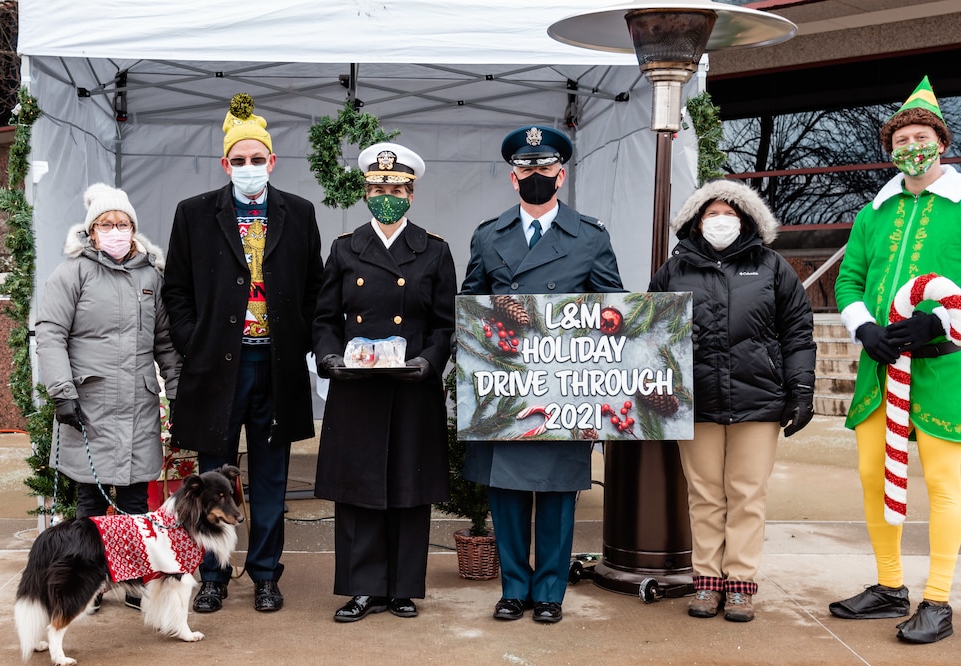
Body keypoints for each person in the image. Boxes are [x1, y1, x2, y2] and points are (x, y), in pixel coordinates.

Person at [830, 77, 961, 643]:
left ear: (940, 142)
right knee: (873, 475)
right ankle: (890, 586)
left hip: (941, 360)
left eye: (921, 135)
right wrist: (863, 326)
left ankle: (938, 599)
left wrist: (942, 318)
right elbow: (848, 281)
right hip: (881, 361)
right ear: (891, 149)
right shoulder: (875, 212)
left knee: (940, 480)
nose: (911, 145)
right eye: (901, 138)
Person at [162, 93, 323, 613]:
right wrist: (197, 344)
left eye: (258, 160)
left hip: (275, 367)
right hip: (216, 370)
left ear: (272, 162)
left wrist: (299, 342)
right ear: (224, 163)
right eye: (239, 160)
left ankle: (266, 574)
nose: (249, 168)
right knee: (213, 478)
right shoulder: (193, 214)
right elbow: (177, 293)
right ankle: (212, 574)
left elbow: (314, 289)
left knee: (273, 477)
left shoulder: (298, 213)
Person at [460, 125, 624, 625]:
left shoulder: (591, 237)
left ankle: (550, 592)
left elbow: (612, 314)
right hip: (507, 388)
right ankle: (514, 589)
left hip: (563, 388)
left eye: (545, 168)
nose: (536, 175)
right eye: (527, 169)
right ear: (514, 178)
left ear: (561, 174)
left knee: (555, 495)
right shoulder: (488, 236)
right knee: (506, 497)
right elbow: (469, 307)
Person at [648, 180, 816, 623]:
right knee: (704, 494)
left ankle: (739, 584)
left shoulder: (772, 267)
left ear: (745, 220)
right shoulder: (674, 269)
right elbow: (648, 330)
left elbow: (797, 331)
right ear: (695, 221)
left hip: (758, 398)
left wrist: (801, 389)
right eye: (711, 213)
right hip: (695, 398)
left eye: (729, 213)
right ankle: (706, 581)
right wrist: (676, 342)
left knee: (747, 493)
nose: (720, 221)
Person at [312, 142, 456, 623]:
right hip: (357, 389)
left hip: (412, 388)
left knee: (408, 489)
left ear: (411, 194)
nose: (385, 196)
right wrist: (328, 355)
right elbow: (326, 316)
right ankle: (362, 587)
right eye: (377, 188)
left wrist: (430, 362)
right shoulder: (344, 248)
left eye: (395, 188)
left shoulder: (433, 251)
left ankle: (401, 588)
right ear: (366, 193)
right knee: (359, 490)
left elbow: (444, 324)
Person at [36, 183, 181, 609]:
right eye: (106, 224)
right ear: (92, 231)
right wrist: (62, 391)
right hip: (88, 406)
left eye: (123, 223)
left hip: (137, 404)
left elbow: (166, 343)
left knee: (136, 500)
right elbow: (50, 333)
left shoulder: (152, 276)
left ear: (134, 229)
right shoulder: (72, 273)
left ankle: (133, 581)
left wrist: (177, 391)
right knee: (92, 501)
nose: (115, 230)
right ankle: (90, 582)